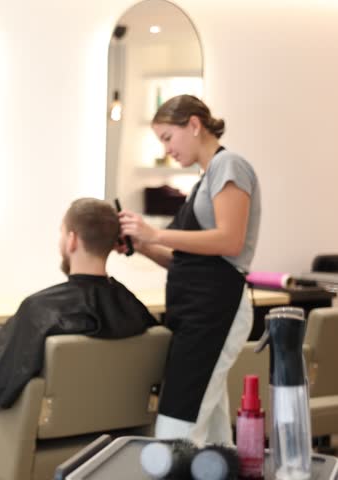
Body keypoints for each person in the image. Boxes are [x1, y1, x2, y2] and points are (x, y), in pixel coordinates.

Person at [118, 94, 260, 445]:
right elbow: (187, 262)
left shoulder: (230, 166)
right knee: (210, 433)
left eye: (168, 137)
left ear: (194, 125)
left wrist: (156, 232)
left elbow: (229, 241)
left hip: (217, 309)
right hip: (199, 310)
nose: (167, 149)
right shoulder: (205, 179)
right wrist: (143, 246)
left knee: (175, 430)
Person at [0, 198, 157, 409]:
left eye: (62, 233)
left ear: (72, 240)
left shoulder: (40, 308)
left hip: (19, 427)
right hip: (108, 417)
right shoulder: (133, 307)